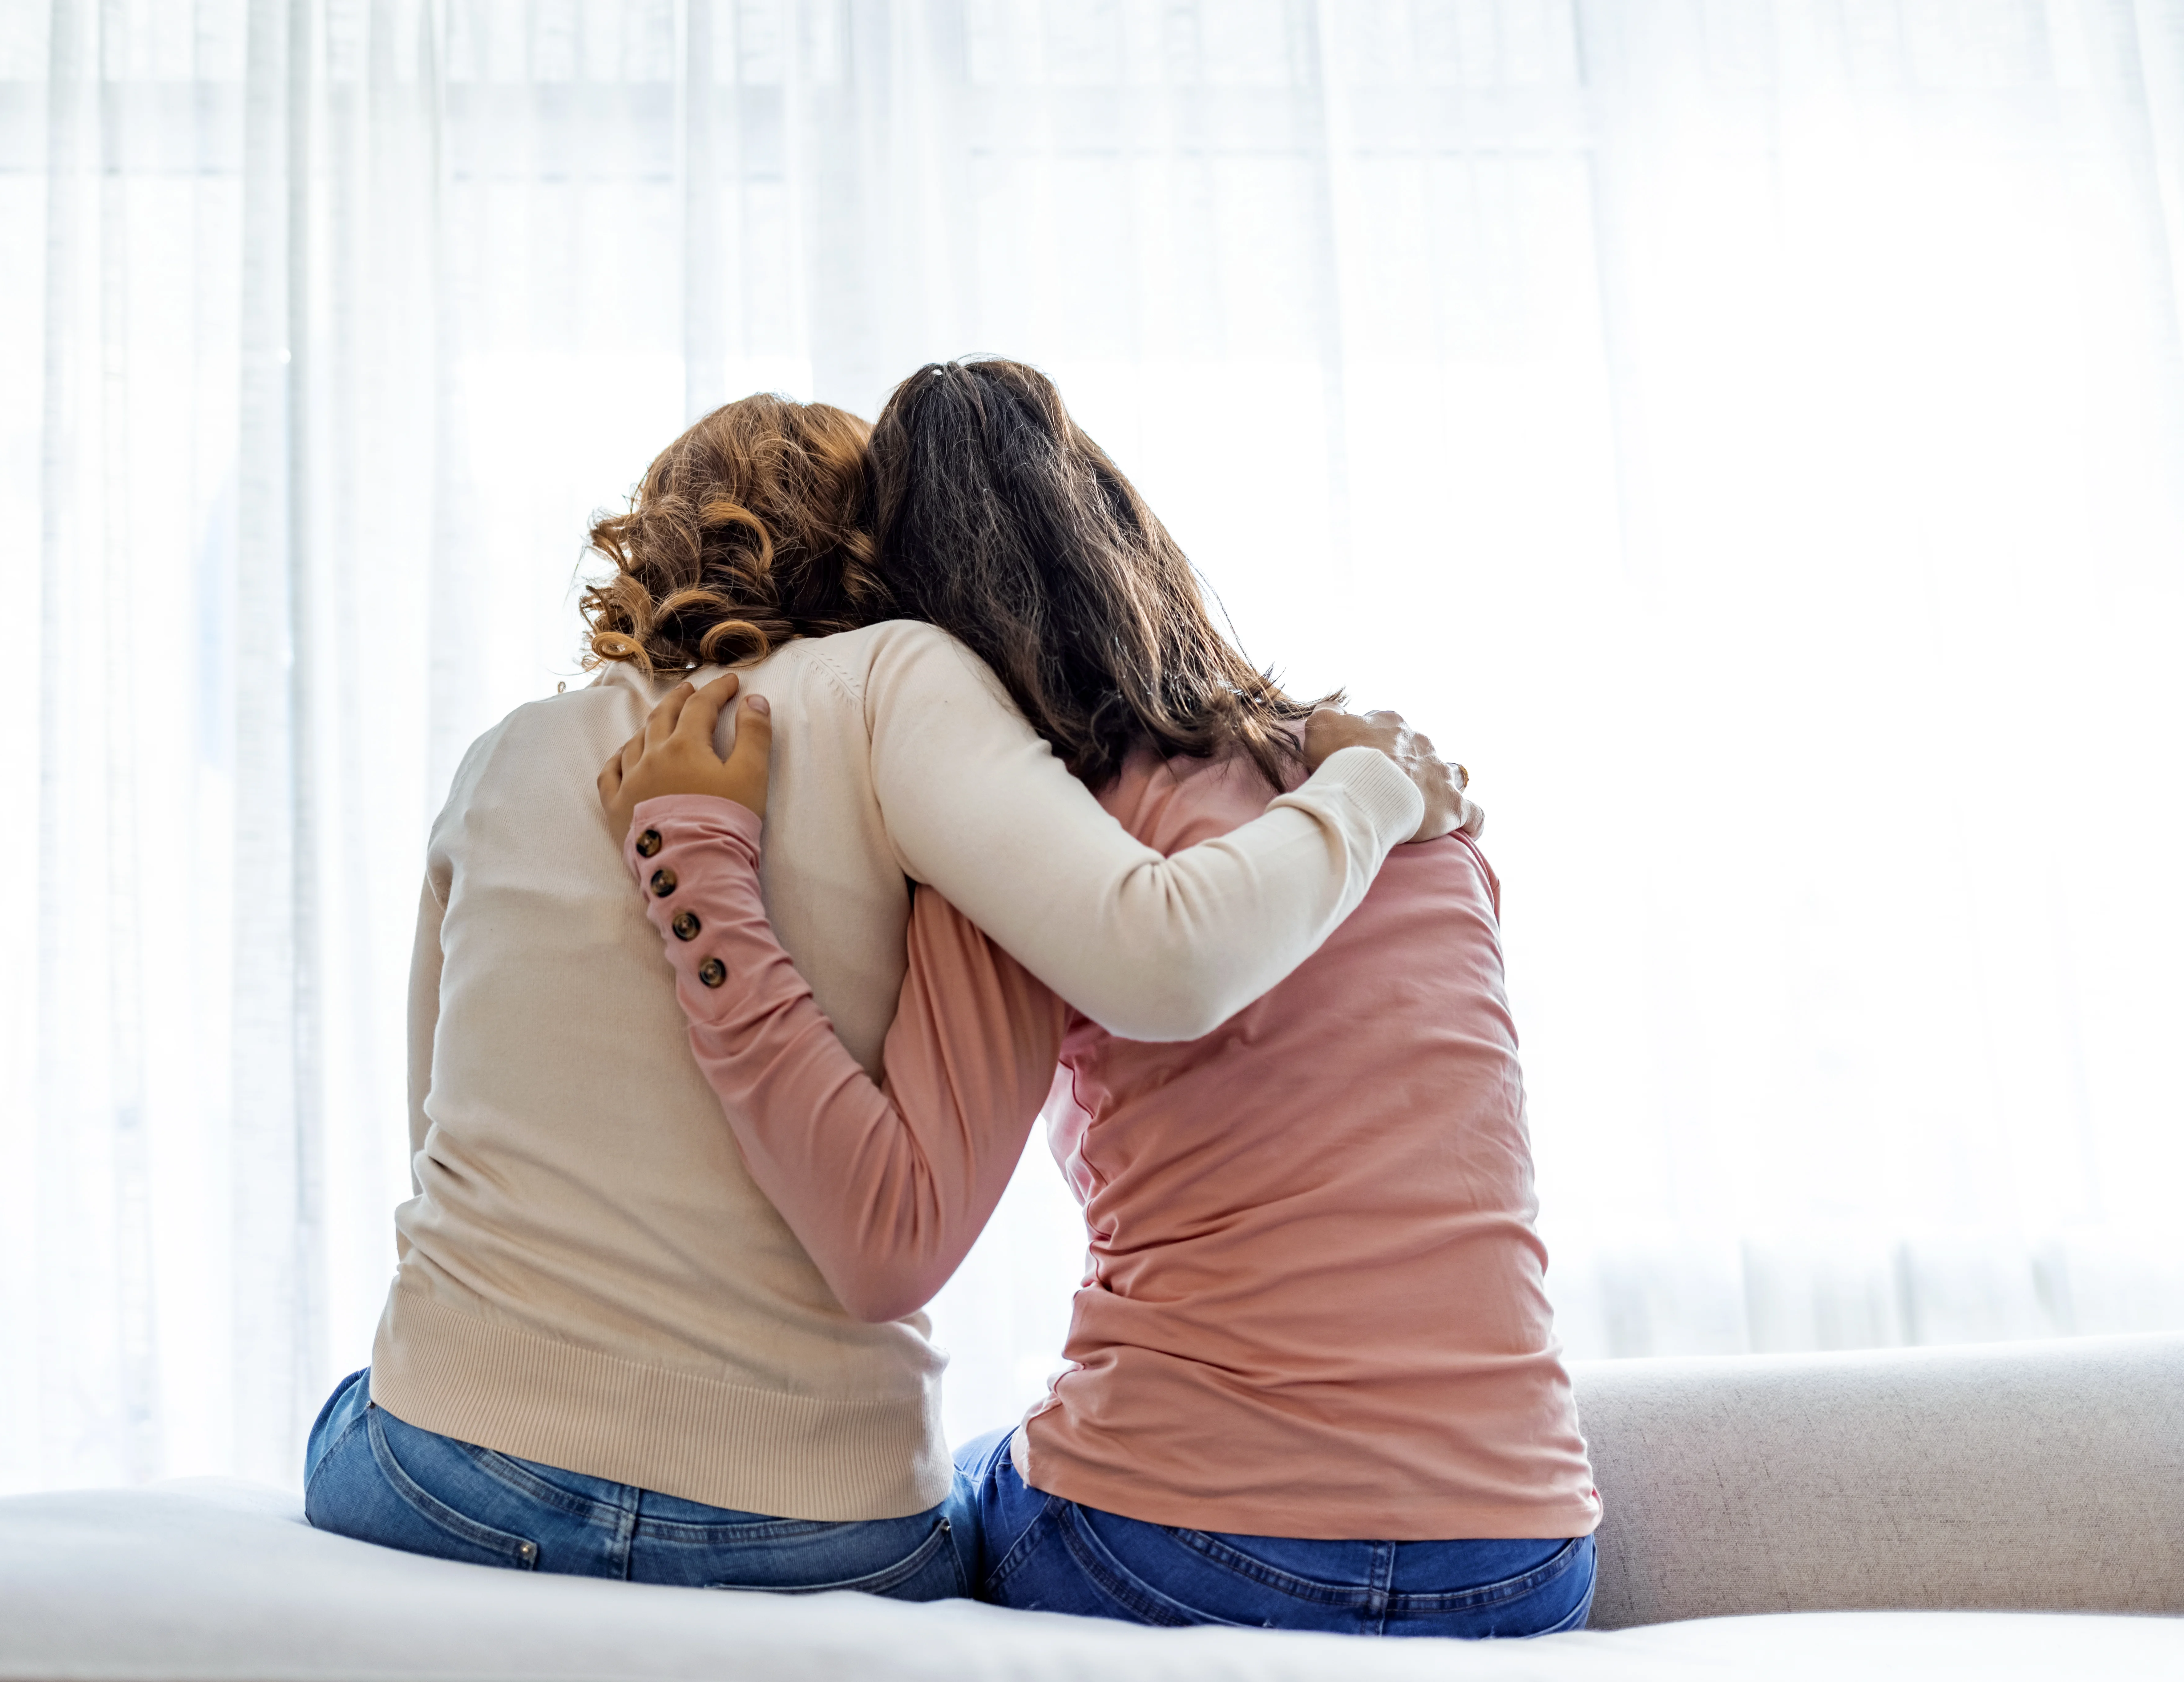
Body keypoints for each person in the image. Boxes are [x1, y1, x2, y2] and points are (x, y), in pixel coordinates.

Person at [300, 391, 1477, 1597]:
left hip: (446, 1470)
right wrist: (1368, 785)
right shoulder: (900, 684)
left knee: (358, 1402)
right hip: (809, 1520)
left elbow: (437, 1142)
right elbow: (1149, 954)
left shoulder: (503, 753)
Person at [596, 359, 1598, 1634]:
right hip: (1521, 1550)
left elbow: (884, 1241)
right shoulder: (1408, 800)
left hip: (1183, 1539)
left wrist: (704, 885)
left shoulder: (1031, 840)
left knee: (929, 1501)